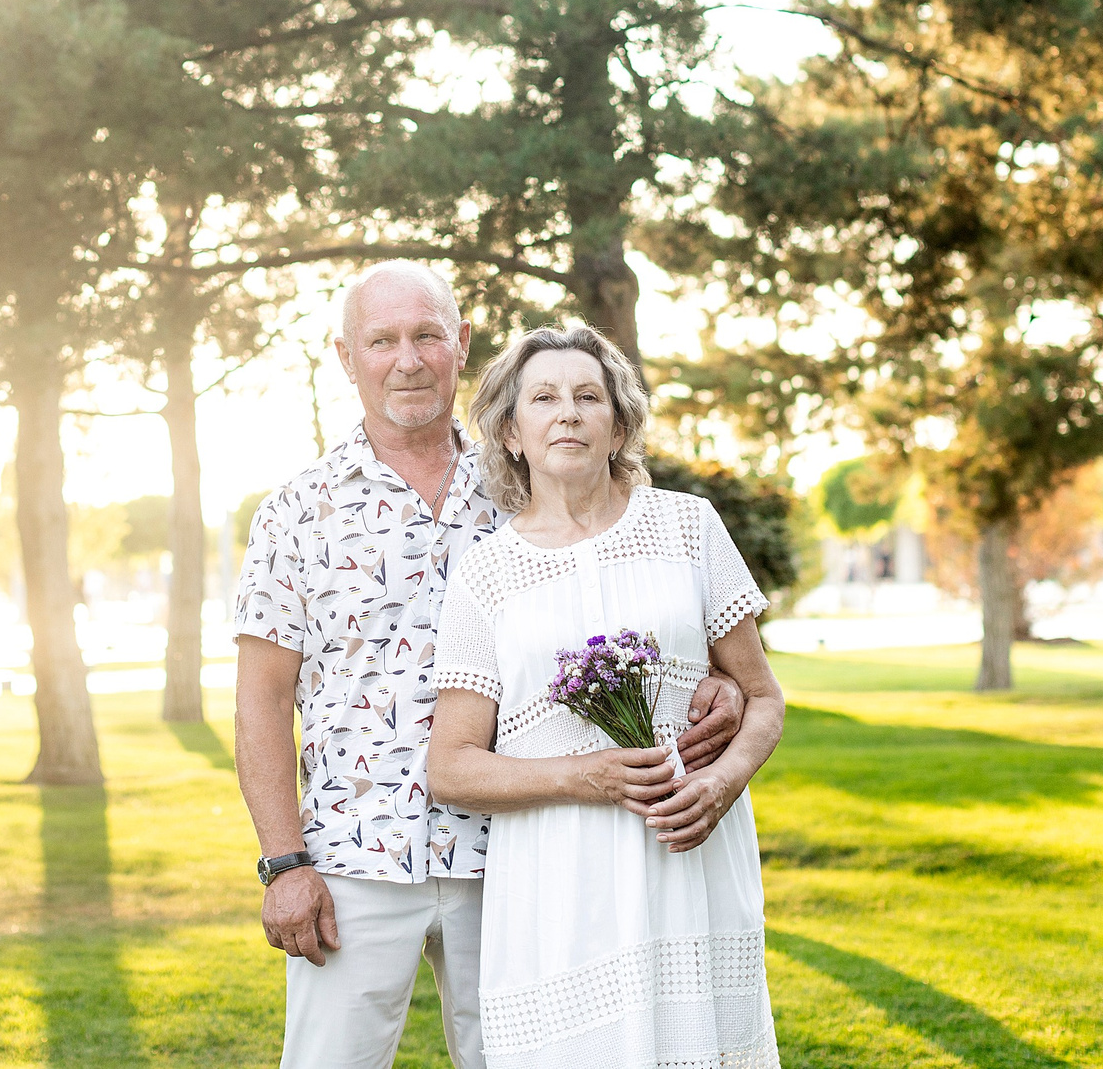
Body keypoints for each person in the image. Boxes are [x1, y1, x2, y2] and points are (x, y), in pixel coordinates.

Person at [233, 264, 747, 1069]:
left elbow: (624, 599)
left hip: (514, 858)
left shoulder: (526, 478)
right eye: (382, 340)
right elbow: (260, 700)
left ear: (461, 343)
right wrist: (285, 862)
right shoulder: (297, 512)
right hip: (355, 861)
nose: (407, 358)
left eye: (427, 335)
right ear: (345, 355)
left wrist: (701, 675)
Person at [427, 324, 787, 1069]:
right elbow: (451, 766)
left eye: (588, 396)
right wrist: (581, 775)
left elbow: (763, 698)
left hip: (689, 857)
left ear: (618, 423)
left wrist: (721, 782)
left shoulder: (689, 526)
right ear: (511, 432)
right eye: (545, 398)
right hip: (559, 880)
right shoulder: (487, 574)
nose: (568, 412)